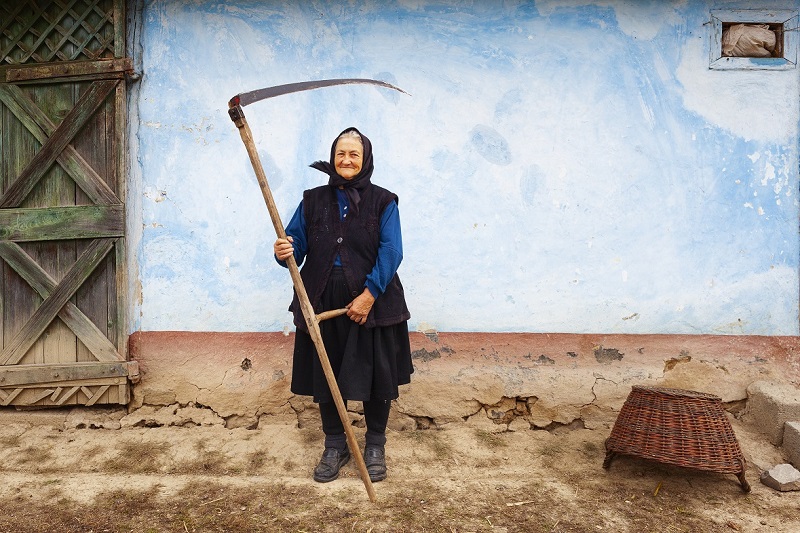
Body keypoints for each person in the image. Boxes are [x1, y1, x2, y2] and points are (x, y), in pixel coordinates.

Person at [273, 127, 413, 483]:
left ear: (365, 159)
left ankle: (375, 445)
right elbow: (296, 243)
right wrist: (285, 249)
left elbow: (392, 250)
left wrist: (369, 295)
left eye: (354, 154)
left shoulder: (384, 201)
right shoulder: (312, 200)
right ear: (332, 157)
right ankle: (335, 445)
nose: (346, 160)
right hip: (320, 297)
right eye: (340, 153)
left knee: (376, 376)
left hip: (372, 299)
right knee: (327, 373)